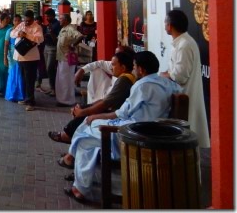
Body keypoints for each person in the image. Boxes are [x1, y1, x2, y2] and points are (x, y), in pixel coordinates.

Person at [62, 51, 182, 202]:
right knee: (87, 130)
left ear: (141, 70)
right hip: (152, 131)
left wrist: (95, 116)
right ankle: (79, 174)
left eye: (134, 66)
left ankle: (79, 186)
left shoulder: (142, 85)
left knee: (85, 138)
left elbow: (121, 113)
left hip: (133, 134)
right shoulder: (168, 83)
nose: (133, 69)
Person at [48, 50, 136, 144]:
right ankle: (70, 136)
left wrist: (83, 112)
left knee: (87, 114)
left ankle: (68, 136)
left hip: (115, 114)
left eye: (114, 65)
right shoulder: (124, 77)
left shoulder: (124, 80)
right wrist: (86, 107)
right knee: (84, 108)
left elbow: (106, 103)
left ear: (123, 67)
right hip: (113, 109)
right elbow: (107, 99)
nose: (111, 68)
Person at [160, 9, 210, 148]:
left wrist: (165, 75)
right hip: (181, 94)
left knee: (187, 134)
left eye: (165, 23)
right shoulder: (181, 42)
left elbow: (180, 75)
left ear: (170, 25)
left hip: (185, 94)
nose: (164, 26)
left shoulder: (185, 45)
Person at [11, 9, 45, 111]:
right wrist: (19, 33)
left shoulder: (37, 27)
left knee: (30, 80)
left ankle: (31, 102)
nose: (26, 22)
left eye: (28, 21)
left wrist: (27, 35)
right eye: (25, 20)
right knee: (23, 79)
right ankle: (26, 98)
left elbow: (40, 39)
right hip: (20, 57)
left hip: (31, 58)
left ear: (33, 19)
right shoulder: (21, 25)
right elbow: (12, 33)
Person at [55, 13, 84, 106]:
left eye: (61, 19)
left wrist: (73, 45)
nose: (59, 20)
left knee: (66, 79)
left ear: (66, 20)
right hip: (61, 57)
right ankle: (62, 99)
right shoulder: (63, 29)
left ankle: (67, 100)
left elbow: (80, 36)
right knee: (61, 80)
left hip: (67, 59)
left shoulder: (70, 29)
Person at [5, 14, 25, 103]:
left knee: (20, 74)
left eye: (18, 20)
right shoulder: (10, 31)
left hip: (21, 54)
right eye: (15, 20)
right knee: (13, 73)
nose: (17, 22)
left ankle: (21, 95)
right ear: (13, 21)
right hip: (11, 54)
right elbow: (6, 44)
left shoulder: (23, 31)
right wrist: (5, 57)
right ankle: (12, 94)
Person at [43, 8, 61, 96]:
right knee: (48, 68)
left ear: (53, 16)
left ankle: (54, 88)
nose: (46, 18)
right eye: (46, 16)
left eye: (48, 16)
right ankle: (52, 87)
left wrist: (50, 31)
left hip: (53, 48)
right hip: (46, 47)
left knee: (50, 68)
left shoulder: (57, 24)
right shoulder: (49, 24)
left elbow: (57, 39)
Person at [34, 14, 48, 91]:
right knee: (36, 67)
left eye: (38, 21)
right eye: (36, 20)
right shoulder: (33, 28)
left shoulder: (44, 28)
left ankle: (38, 83)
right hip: (35, 50)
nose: (37, 22)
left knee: (40, 67)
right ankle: (36, 83)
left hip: (42, 50)